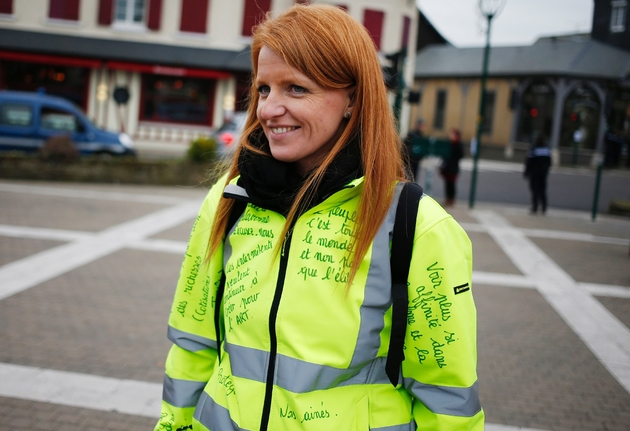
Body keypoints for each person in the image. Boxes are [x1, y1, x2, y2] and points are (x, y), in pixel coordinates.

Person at [154, 5, 483, 431]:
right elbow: (192, 344)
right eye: (264, 89)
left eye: (295, 88)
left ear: (352, 98)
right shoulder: (229, 198)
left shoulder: (417, 226)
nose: (269, 109)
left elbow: (448, 399)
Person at [524, 135, 552, 214]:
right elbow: (549, 162)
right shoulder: (546, 149)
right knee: (542, 190)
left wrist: (526, 172)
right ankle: (544, 206)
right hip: (543, 173)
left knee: (535, 190)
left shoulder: (534, 148)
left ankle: (535, 207)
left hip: (534, 172)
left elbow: (529, 161)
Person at [439, 127, 464, 207]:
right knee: (447, 184)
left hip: (453, 168)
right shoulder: (449, 144)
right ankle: (448, 199)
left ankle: (451, 199)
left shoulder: (458, 145)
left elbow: (460, 155)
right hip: (447, 167)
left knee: (451, 184)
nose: (451, 136)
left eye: (452, 134)